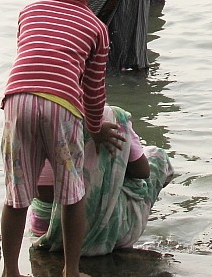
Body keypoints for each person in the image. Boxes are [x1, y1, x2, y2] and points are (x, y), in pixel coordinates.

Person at [0, 0, 122, 277]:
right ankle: (71, 276)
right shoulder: (96, 28)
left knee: (16, 193)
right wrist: (96, 130)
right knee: (71, 193)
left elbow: (30, 55)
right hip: (62, 106)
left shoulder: (28, 12)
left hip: (17, 99)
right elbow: (94, 90)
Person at [31, 105, 174, 256]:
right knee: (158, 156)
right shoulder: (112, 117)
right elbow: (142, 171)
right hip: (88, 232)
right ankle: (117, 223)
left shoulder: (39, 112)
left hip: (43, 228)